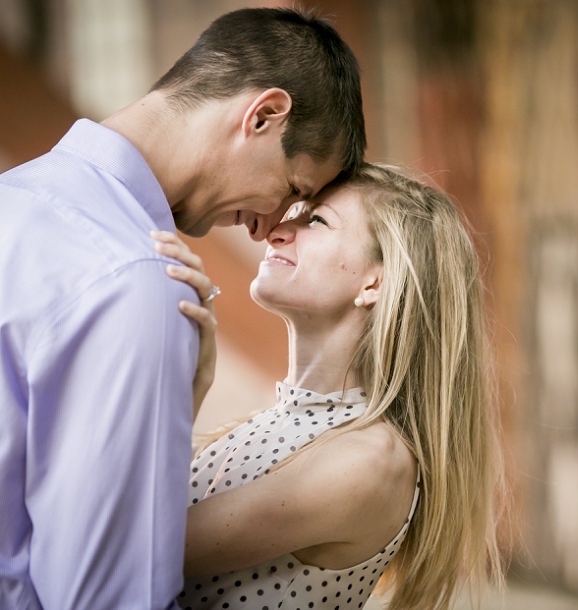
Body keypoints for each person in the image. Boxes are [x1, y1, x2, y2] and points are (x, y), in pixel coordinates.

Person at [0, 7, 365, 609]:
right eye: (294, 190)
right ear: (264, 115)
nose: (267, 227)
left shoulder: (14, 203)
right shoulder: (142, 279)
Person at [153, 164, 503, 610]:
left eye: (314, 220)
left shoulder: (368, 461)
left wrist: (189, 384)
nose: (277, 231)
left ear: (375, 281)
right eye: (293, 212)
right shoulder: (285, 420)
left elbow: (143, 548)